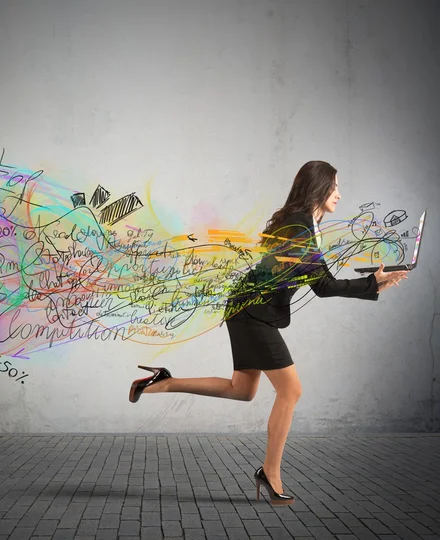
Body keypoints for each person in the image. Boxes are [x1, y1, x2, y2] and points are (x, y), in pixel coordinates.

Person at [128, 161, 409, 505]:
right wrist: (372, 283)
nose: (339, 193)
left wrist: (374, 282)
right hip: (252, 313)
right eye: (334, 186)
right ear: (318, 188)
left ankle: (164, 381)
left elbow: (321, 281)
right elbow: (323, 285)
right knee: (291, 391)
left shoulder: (306, 225)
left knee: (242, 390)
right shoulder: (299, 227)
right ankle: (270, 473)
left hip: (250, 310)